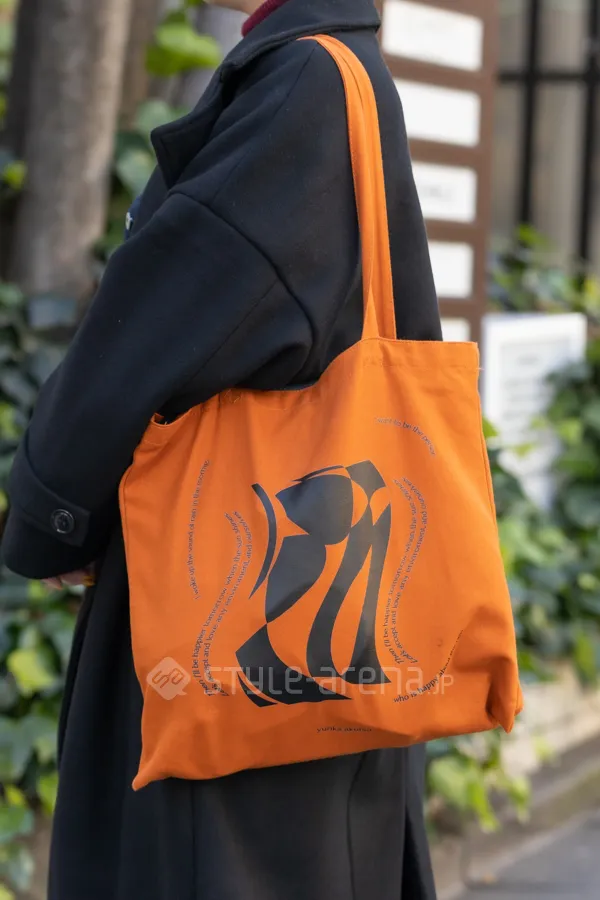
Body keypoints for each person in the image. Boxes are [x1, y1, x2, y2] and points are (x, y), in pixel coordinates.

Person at [2, 0, 442, 896]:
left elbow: (169, 313)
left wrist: (56, 508)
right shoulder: (342, 73)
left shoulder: (304, 81)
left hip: (232, 620)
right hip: (319, 615)